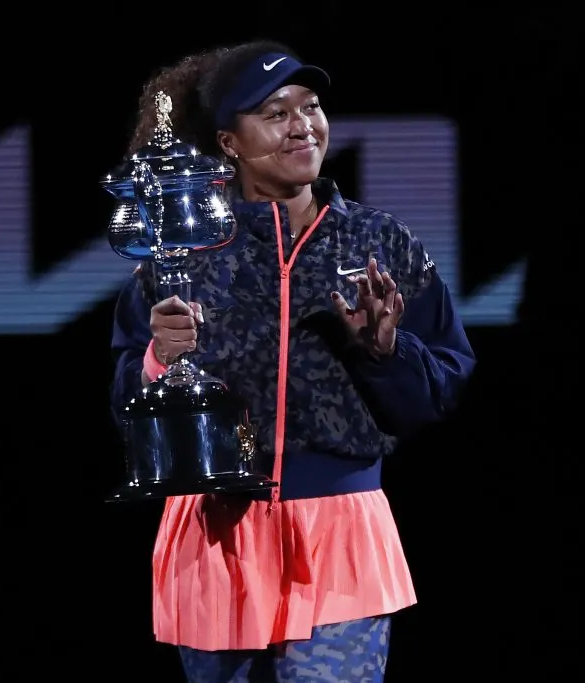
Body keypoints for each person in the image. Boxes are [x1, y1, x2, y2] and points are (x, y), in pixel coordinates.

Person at [110, 40, 477, 682]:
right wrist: (156, 361)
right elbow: (127, 407)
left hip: (340, 540)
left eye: (310, 107)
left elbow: (440, 390)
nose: (303, 126)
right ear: (229, 143)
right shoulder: (182, 250)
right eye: (276, 114)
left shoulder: (380, 241)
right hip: (215, 539)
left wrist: (386, 352)